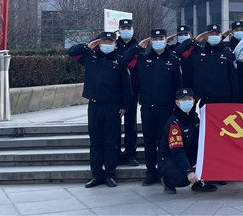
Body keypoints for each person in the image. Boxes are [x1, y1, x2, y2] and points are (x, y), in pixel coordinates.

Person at [68, 31, 132, 188]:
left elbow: (127, 87)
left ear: (115, 44)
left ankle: (109, 173)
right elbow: (72, 52)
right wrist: (88, 46)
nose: (107, 45)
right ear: (99, 43)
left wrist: (124, 105)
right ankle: (96, 174)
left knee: (111, 141)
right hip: (95, 106)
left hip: (113, 106)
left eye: (110, 42)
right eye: (104, 42)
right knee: (96, 141)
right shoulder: (91, 57)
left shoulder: (120, 61)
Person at [122, 28, 183, 186]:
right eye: (154, 39)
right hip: (147, 107)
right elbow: (123, 62)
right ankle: (151, 172)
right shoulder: (142, 59)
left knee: (165, 142)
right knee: (149, 142)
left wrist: (178, 107)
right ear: (150, 41)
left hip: (166, 108)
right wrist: (138, 47)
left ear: (166, 40)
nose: (158, 41)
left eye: (161, 38)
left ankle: (165, 172)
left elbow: (178, 86)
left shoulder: (174, 60)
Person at [158, 88, 217, 193]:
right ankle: (167, 181)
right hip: (170, 159)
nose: (187, 101)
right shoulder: (174, 123)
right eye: (183, 99)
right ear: (177, 102)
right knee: (184, 179)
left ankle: (199, 183)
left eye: (189, 99)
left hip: (189, 155)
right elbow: (177, 151)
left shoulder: (194, 118)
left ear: (194, 101)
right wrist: (189, 171)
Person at [174, 24, 239, 106]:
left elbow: (234, 80)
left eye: (216, 34)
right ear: (206, 36)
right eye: (211, 34)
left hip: (223, 100)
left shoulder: (228, 54)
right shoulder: (198, 52)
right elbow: (176, 53)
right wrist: (194, 40)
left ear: (221, 36)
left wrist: (234, 102)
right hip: (201, 100)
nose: (214, 36)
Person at [115, 18, 139, 167]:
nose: (126, 30)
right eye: (123, 28)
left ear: (132, 29)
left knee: (131, 125)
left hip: (132, 90)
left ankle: (130, 154)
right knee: (114, 125)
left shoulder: (138, 47)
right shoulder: (113, 44)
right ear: (119, 30)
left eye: (128, 28)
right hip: (115, 91)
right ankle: (115, 153)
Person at [227, 21, 243, 104]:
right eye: (236, 30)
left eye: (241, 30)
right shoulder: (227, 46)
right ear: (232, 32)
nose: (239, 32)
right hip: (232, 82)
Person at [170, 25, 194, 89]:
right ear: (177, 37)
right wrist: (166, 40)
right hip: (176, 87)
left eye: (186, 34)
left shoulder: (195, 49)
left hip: (192, 87)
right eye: (180, 35)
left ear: (190, 36)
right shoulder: (172, 49)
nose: (183, 37)